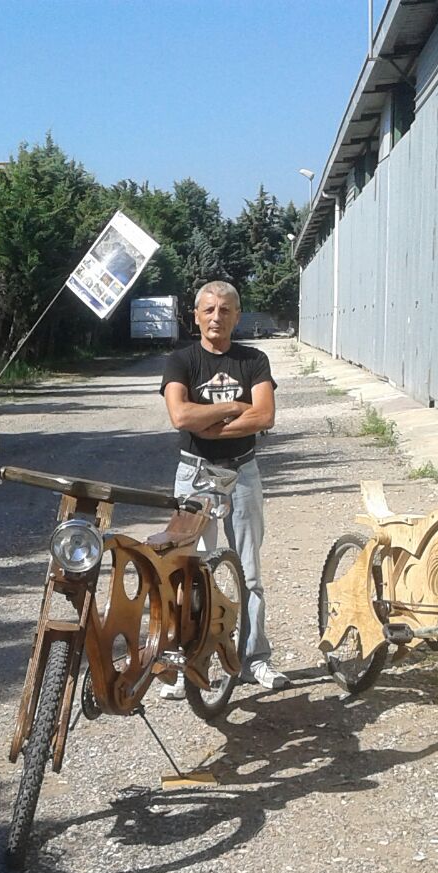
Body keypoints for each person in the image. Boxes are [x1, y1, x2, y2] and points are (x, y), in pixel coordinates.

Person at [158, 281, 287, 695]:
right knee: (190, 572)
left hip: (242, 472)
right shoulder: (181, 361)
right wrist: (234, 406)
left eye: (225, 310)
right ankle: (188, 667)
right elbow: (179, 416)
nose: (217, 317)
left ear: (237, 315)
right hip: (194, 473)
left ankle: (255, 660)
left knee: (249, 571)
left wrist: (209, 421)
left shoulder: (253, 360)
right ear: (195, 316)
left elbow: (265, 414)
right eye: (209, 310)